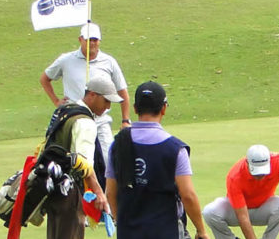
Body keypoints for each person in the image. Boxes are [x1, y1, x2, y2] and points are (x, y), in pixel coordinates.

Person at [105, 81, 210, 239]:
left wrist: (120, 221)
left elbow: (111, 192)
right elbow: (187, 195)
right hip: (166, 230)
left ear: (135, 108)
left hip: (129, 230)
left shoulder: (117, 144)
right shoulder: (176, 149)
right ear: (164, 108)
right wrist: (201, 230)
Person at [43, 75, 123, 239]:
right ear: (92, 95)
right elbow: (83, 163)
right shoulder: (85, 122)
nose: (108, 106)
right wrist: (99, 193)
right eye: (106, 100)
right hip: (71, 192)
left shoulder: (65, 110)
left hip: (53, 187)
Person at [40, 22, 131, 166]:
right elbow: (45, 78)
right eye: (88, 39)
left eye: (95, 40)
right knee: (77, 162)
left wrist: (126, 120)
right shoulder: (66, 60)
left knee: (109, 162)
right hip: (73, 120)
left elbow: (122, 91)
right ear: (80, 39)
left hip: (100, 120)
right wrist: (56, 102)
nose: (92, 43)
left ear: (100, 41)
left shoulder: (109, 62)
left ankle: (105, 188)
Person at [202, 144, 279, 239]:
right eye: (256, 171)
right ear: (247, 163)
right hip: (237, 212)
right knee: (210, 212)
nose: (260, 175)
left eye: (263, 171)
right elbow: (243, 217)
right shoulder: (235, 176)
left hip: (263, 208)